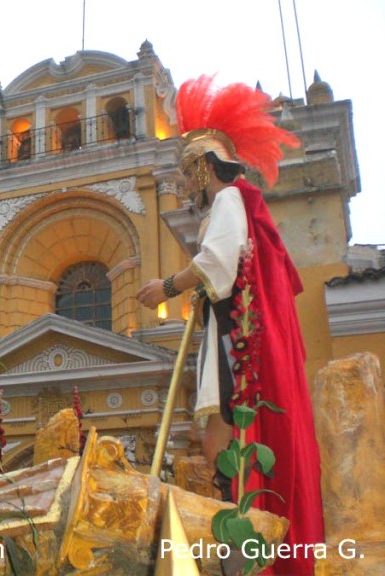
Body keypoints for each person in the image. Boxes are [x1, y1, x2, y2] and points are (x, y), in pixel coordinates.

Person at [137, 76, 324, 575]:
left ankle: (239, 546)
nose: (183, 182)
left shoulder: (229, 200)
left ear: (204, 167)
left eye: (187, 171)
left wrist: (168, 288)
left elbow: (217, 263)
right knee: (219, 439)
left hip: (234, 337)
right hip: (229, 330)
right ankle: (237, 542)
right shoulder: (239, 203)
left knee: (221, 442)